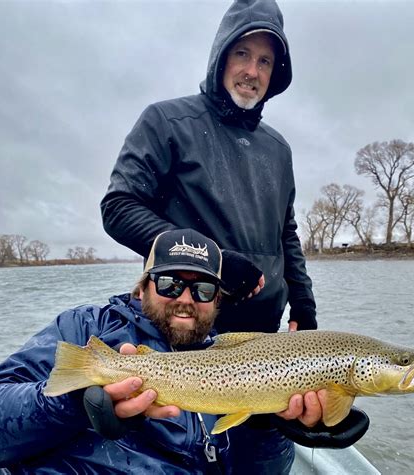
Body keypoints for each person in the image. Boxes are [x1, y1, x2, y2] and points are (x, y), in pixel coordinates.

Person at [100, 1, 318, 471]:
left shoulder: (278, 149)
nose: (251, 71)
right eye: (242, 54)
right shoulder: (166, 122)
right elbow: (118, 208)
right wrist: (213, 260)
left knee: (263, 461)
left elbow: (288, 234)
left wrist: (304, 307)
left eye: (265, 61)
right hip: (183, 343)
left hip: (265, 351)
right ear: (221, 56)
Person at [0, 229, 327, 474]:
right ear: (143, 285)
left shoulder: (240, 362)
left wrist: (269, 424)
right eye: (170, 284)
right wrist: (74, 404)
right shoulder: (88, 329)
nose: (185, 299)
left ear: (217, 300)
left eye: (203, 289)